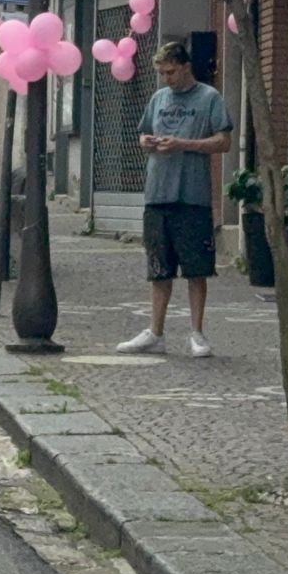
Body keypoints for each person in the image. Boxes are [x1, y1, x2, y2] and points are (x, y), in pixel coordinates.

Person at [118, 41, 232, 358]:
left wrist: (184, 144)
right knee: (159, 268)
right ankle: (155, 332)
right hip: (157, 193)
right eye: (161, 73)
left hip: (192, 196)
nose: (166, 79)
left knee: (196, 269)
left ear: (185, 67)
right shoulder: (158, 98)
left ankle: (197, 333)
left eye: (170, 72)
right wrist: (147, 141)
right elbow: (143, 133)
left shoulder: (209, 97)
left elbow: (223, 141)